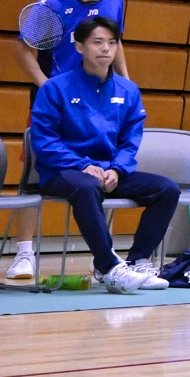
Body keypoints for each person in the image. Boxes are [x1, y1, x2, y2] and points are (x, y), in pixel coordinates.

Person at [25, 15, 175, 293]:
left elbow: (131, 140)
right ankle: (109, 267)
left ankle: (137, 261)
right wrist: (82, 165)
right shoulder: (55, 88)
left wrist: (117, 169)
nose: (105, 48)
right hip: (64, 171)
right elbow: (44, 140)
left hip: (109, 171)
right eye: (97, 42)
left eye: (112, 42)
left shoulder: (128, 90)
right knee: (87, 186)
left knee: (166, 189)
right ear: (80, 47)